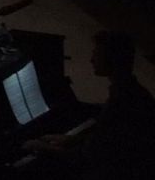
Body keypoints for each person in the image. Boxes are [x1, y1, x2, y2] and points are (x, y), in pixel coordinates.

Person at [24, 29, 155, 176]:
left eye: (97, 54)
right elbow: (105, 139)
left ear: (111, 59)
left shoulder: (118, 102)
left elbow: (86, 158)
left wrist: (42, 147)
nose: (92, 59)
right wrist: (72, 139)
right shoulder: (137, 92)